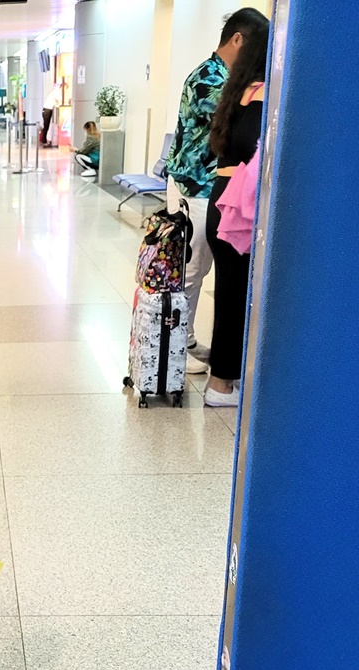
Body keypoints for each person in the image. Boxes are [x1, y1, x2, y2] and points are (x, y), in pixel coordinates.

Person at [166, 7, 269, 374]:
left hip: (211, 189)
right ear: (237, 38)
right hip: (197, 187)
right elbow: (235, 123)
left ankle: (186, 340)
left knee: (202, 270)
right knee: (191, 271)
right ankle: (176, 349)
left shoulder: (225, 77)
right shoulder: (211, 78)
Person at [203, 15, 269, 407]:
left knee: (230, 291)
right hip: (237, 206)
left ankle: (224, 377)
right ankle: (222, 383)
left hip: (221, 196)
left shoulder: (235, 91)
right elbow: (251, 145)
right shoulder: (258, 93)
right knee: (233, 293)